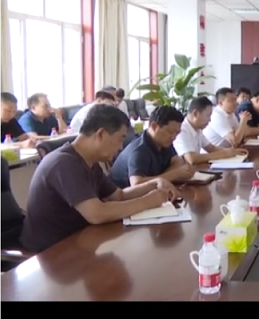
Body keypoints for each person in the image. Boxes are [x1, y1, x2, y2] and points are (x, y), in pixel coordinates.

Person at [20, 104, 179, 253]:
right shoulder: (64, 163)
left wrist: (154, 184)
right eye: (120, 139)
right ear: (101, 134)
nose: (121, 147)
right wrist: (147, 201)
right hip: (50, 252)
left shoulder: (90, 162)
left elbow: (119, 196)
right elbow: (97, 214)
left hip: (79, 240)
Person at [110, 106, 197, 188]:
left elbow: (177, 161)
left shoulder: (163, 141)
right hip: (123, 196)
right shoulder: (140, 150)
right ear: (154, 126)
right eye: (170, 132)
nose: (173, 137)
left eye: (177, 133)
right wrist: (174, 174)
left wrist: (166, 176)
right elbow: (136, 184)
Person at [173, 96, 248, 165]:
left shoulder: (198, 129)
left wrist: (232, 151)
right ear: (195, 114)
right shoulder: (181, 130)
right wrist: (224, 154)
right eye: (208, 115)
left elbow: (211, 148)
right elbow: (192, 159)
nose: (209, 120)